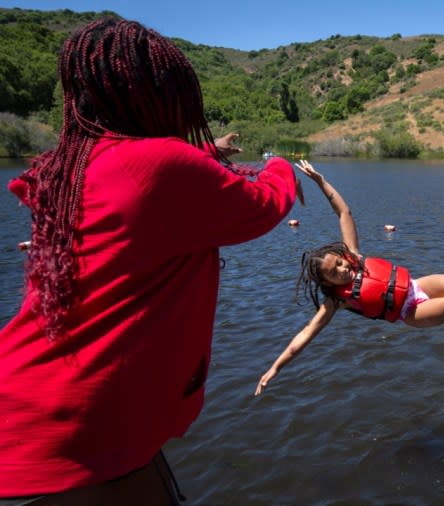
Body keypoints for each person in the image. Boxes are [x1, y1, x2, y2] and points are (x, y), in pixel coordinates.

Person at [0, 19, 297, 504]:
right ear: (155, 94)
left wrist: (207, 152)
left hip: (31, 412)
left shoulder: (73, 164)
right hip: (73, 440)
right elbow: (265, 204)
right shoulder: (161, 166)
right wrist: (280, 164)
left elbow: (142, 172)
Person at [255, 161, 444, 396]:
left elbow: (343, 212)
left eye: (340, 263)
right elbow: (303, 336)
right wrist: (275, 368)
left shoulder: (354, 256)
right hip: (410, 311)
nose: (343, 269)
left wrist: (320, 181)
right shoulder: (334, 302)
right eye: (335, 272)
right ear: (327, 283)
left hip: (415, 286)